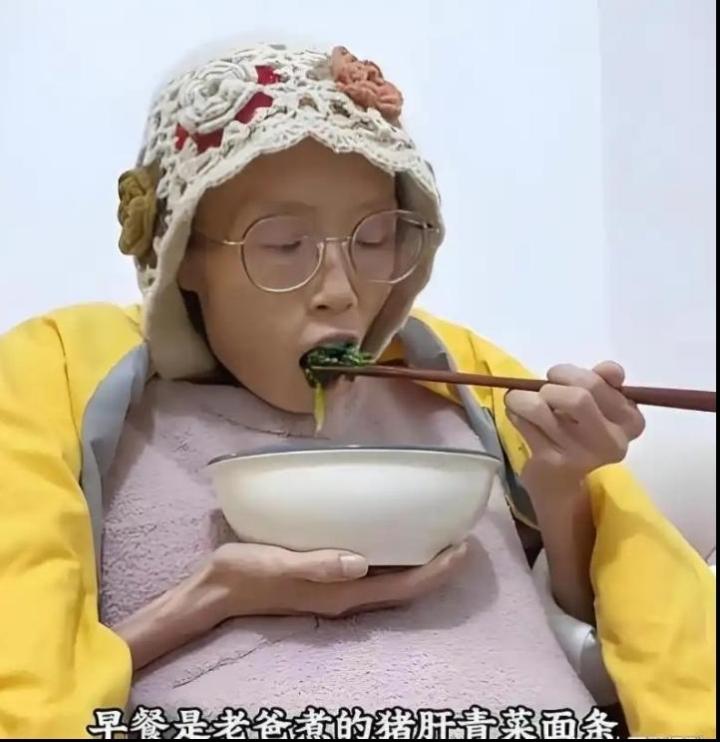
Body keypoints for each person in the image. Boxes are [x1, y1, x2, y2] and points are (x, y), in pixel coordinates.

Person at [0, 41, 714, 739]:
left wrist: (561, 488)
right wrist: (213, 598)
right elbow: (44, 691)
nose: (340, 293)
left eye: (374, 241)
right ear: (183, 254)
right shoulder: (92, 415)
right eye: (284, 245)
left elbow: (592, 639)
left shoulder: (456, 399)